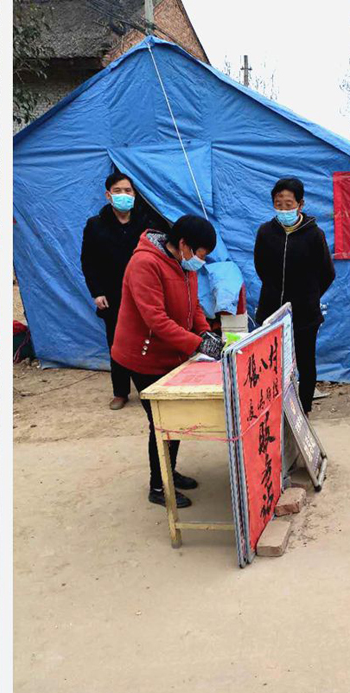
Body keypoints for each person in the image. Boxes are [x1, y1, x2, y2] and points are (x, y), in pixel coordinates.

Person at [111, 215, 224, 509]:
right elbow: (156, 319)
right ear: (184, 244)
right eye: (201, 255)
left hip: (172, 352)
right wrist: (197, 344)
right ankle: (158, 486)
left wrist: (204, 332)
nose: (201, 262)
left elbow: (194, 305)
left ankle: (168, 472)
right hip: (143, 355)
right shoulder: (144, 264)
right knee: (161, 422)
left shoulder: (184, 264)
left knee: (175, 419)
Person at [80, 172, 164, 411]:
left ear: (135, 195)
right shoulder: (95, 225)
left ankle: (150, 388)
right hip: (113, 294)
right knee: (117, 343)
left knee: (149, 340)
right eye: (118, 191)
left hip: (144, 293)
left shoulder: (148, 223)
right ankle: (120, 392)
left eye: (128, 191)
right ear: (108, 195)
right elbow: (88, 261)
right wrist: (97, 292)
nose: (123, 195)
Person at [253, 177, 335, 414]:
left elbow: (327, 273)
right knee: (271, 362)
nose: (283, 209)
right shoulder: (265, 232)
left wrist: (310, 296)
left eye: (288, 204)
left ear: (300, 204)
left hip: (305, 313)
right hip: (271, 311)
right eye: (278, 204)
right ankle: (274, 409)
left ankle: (304, 410)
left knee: (306, 363)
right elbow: (260, 267)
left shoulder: (314, 234)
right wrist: (274, 290)